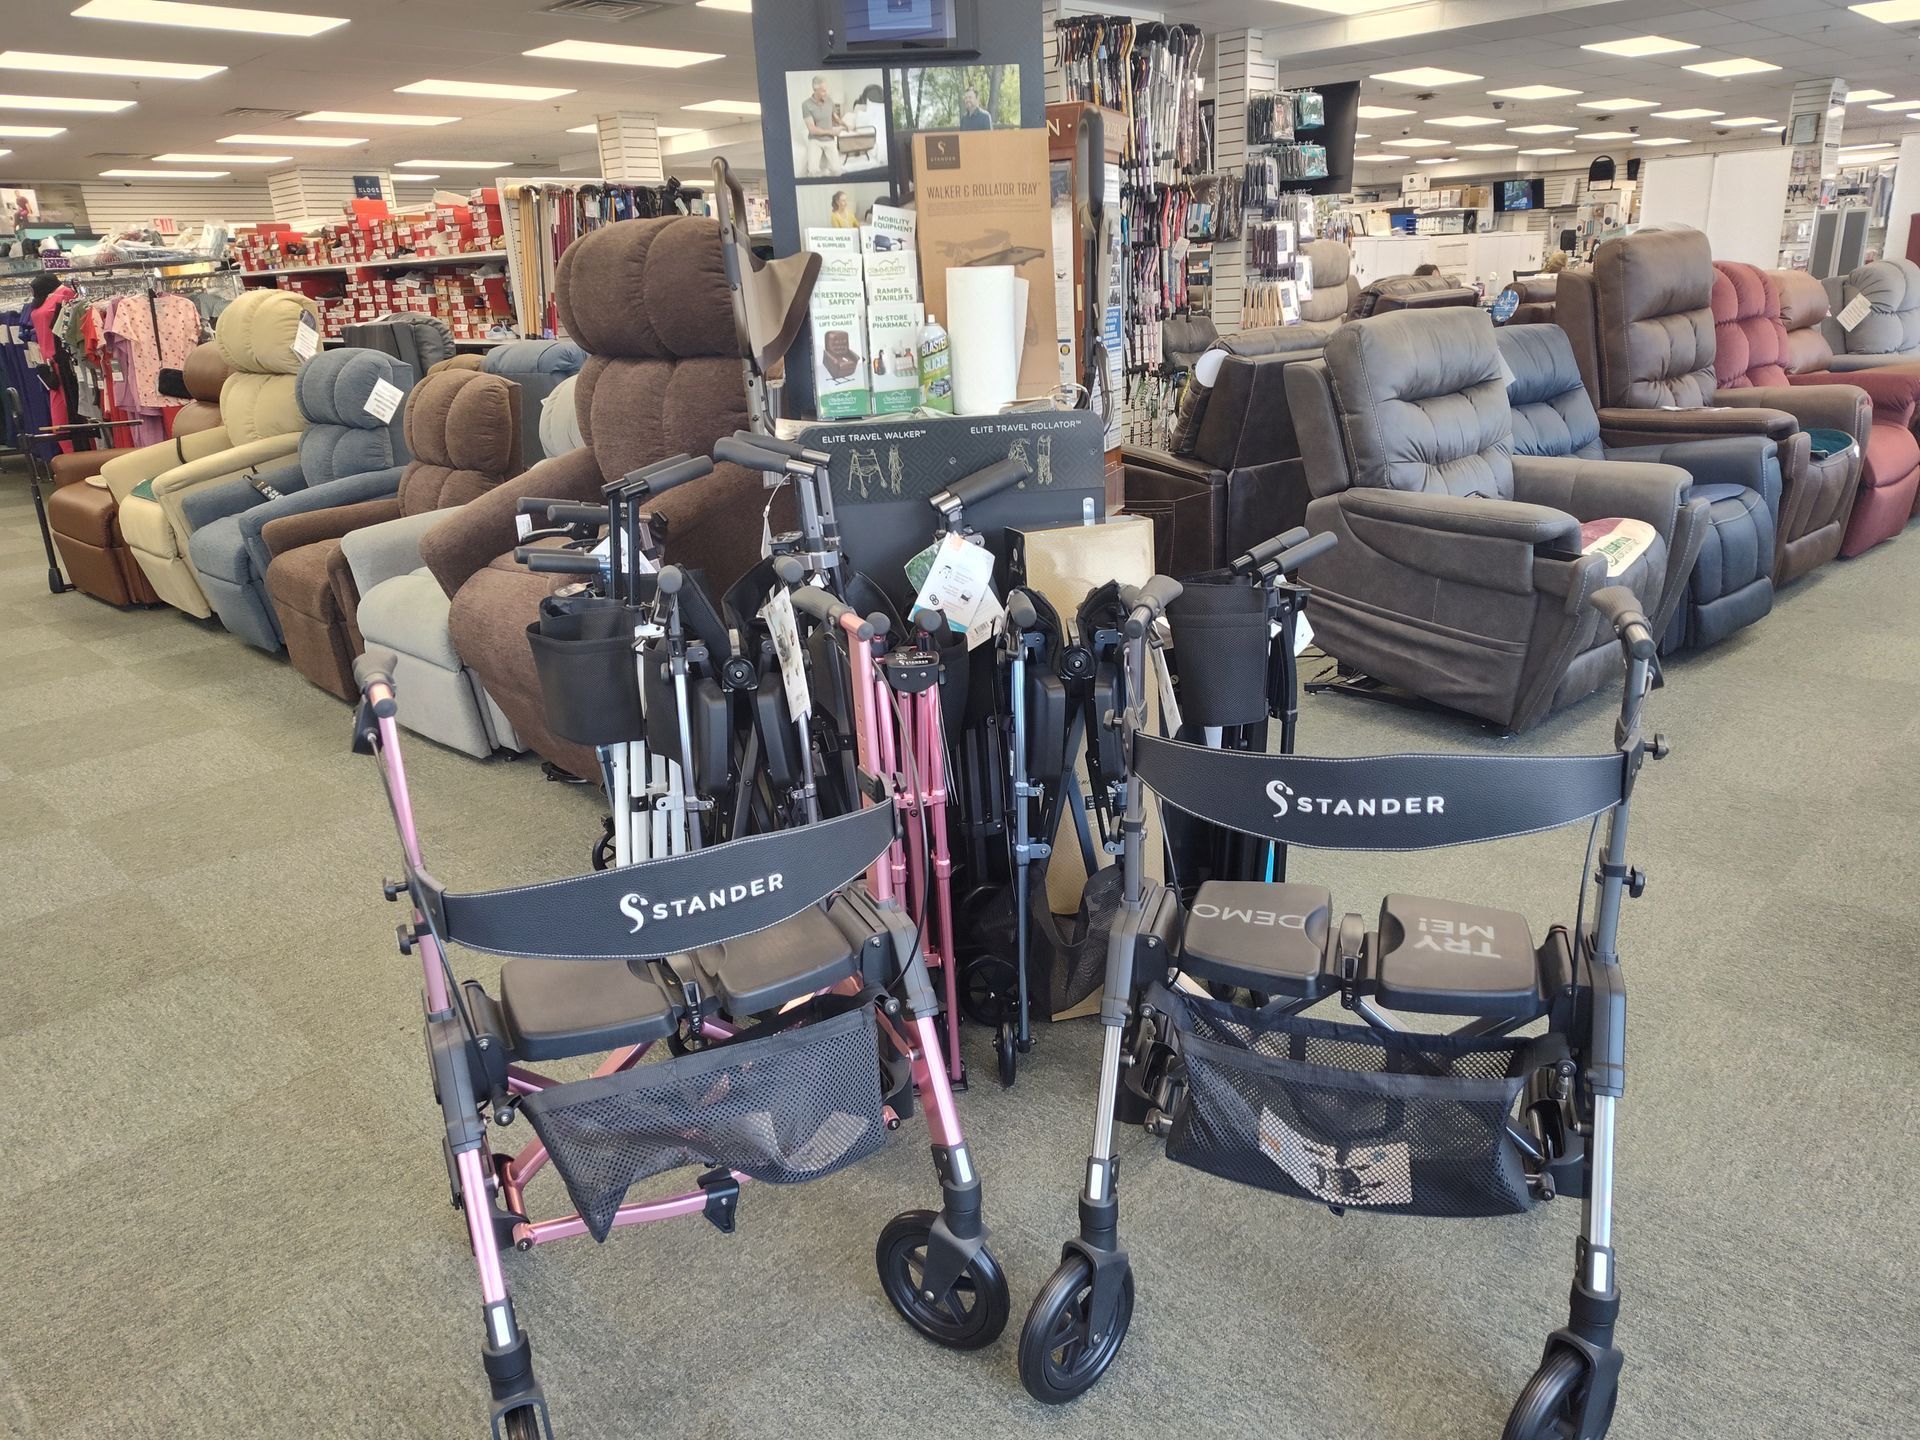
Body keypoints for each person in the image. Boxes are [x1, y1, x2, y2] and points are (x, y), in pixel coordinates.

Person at [799, 74, 846, 177]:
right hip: (815, 140)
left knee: (837, 171)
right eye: (823, 91)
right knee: (813, 171)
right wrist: (832, 132)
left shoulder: (829, 101)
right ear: (815, 90)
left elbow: (836, 119)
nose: (826, 93)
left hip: (829, 140)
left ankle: (827, 171)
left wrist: (846, 125)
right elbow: (812, 130)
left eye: (826, 90)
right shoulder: (806, 105)